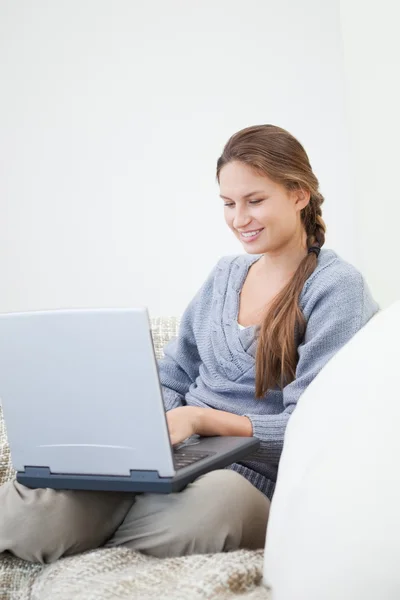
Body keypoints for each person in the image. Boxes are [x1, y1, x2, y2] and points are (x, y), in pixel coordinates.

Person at [0, 124, 379, 564]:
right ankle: (94, 514)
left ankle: (94, 534)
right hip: (173, 456)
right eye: (228, 203)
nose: (240, 219)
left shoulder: (336, 288)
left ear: (298, 195)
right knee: (36, 512)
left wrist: (201, 417)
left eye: (255, 201)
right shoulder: (225, 276)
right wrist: (139, 432)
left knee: (211, 510)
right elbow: (173, 373)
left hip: (246, 475)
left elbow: (313, 427)